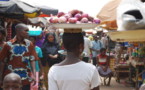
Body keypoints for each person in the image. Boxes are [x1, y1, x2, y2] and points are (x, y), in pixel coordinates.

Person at [0, 23, 38, 90]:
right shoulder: (8, 45)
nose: (28, 32)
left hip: (25, 78)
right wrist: (0, 78)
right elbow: (3, 62)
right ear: (18, 31)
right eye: (25, 30)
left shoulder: (30, 44)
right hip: (10, 80)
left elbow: (32, 60)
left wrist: (34, 75)